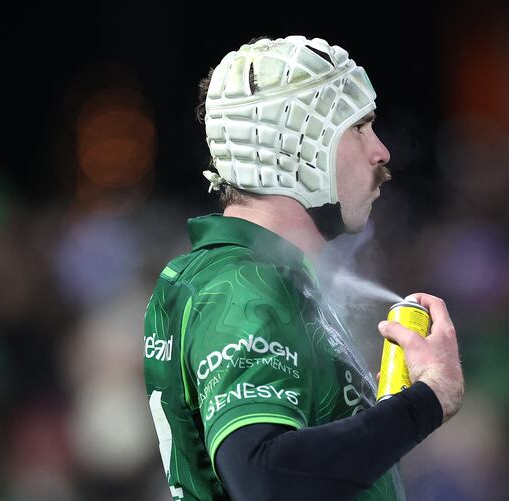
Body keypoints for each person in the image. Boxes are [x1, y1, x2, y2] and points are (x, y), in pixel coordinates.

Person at [144, 35, 463, 500]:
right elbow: (264, 478)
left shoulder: (267, 279)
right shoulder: (243, 285)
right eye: (360, 127)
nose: (382, 152)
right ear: (296, 143)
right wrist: (428, 400)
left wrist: (391, 412)